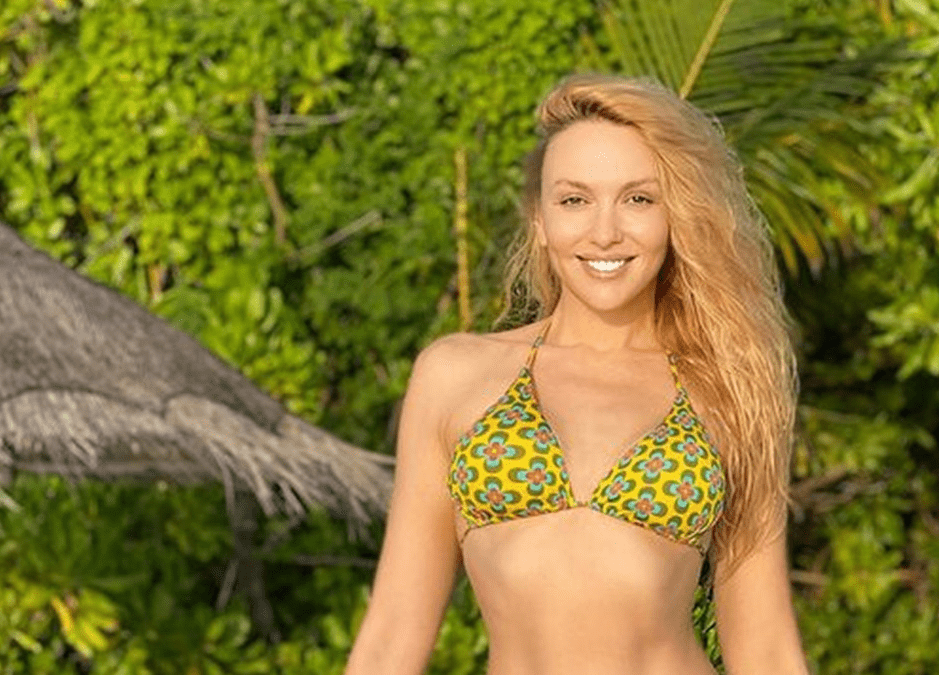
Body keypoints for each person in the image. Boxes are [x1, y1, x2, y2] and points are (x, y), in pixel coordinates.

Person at [344, 73, 808, 675]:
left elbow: (766, 647)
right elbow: (393, 632)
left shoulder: (730, 388)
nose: (605, 232)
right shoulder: (454, 375)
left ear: (675, 216)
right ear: (539, 219)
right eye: (574, 200)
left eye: (638, 199)